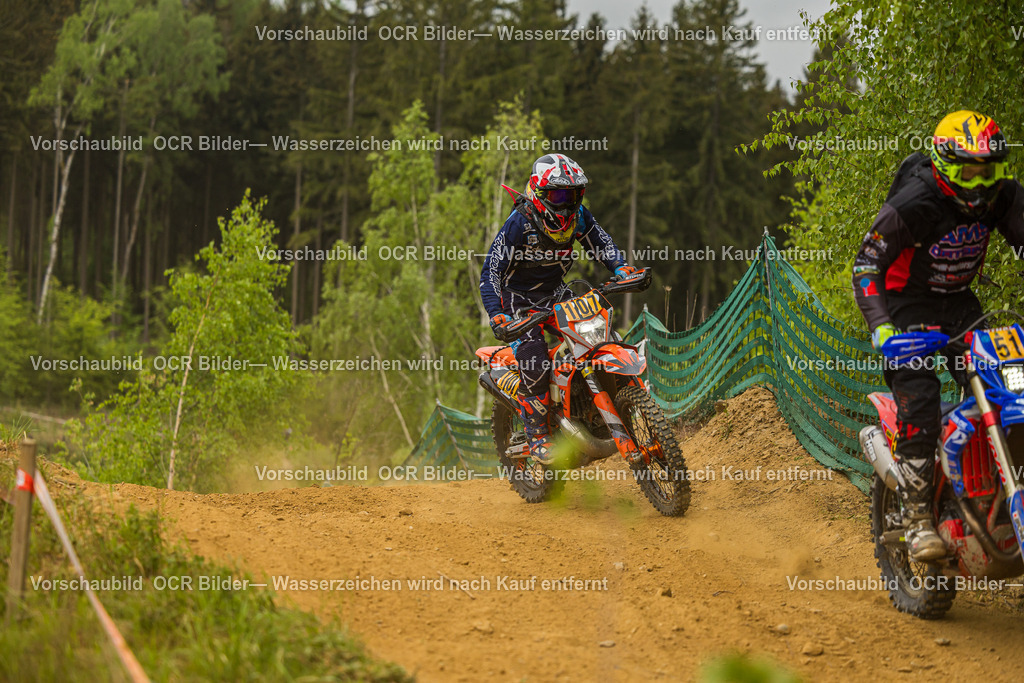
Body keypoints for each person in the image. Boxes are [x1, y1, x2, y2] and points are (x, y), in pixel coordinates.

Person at [853, 110, 1024, 561]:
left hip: (959, 303)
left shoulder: (1003, 197)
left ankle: (996, 494)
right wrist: (882, 329)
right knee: (921, 397)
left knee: (1010, 385)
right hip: (905, 305)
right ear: (947, 165)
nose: (980, 181)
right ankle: (916, 520)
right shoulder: (916, 201)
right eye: (970, 170)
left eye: (987, 170)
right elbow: (866, 264)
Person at [480, 153, 636, 464]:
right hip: (518, 300)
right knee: (535, 359)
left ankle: (625, 405)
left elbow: (600, 241)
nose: (566, 203)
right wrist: (497, 314)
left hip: (556, 292)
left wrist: (620, 267)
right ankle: (538, 434)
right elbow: (491, 272)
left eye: (573, 194)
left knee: (603, 338)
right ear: (538, 193)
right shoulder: (519, 223)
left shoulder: (578, 217)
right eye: (558, 195)